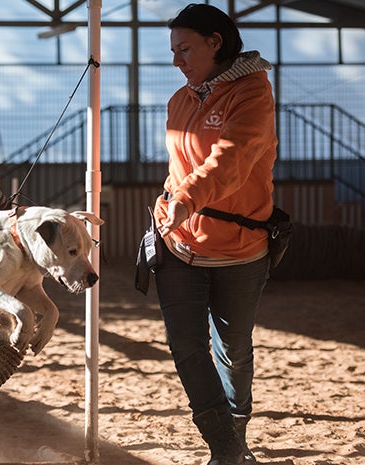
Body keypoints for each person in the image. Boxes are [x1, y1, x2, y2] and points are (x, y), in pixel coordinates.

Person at [152, 3, 277, 465]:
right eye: (173, 51)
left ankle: (235, 439)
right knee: (186, 346)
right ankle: (224, 448)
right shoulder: (179, 100)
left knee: (233, 351)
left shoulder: (253, 96)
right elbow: (179, 169)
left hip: (240, 250)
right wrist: (169, 203)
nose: (177, 61)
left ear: (215, 42)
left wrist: (185, 201)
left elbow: (230, 160)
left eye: (185, 49)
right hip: (179, 246)